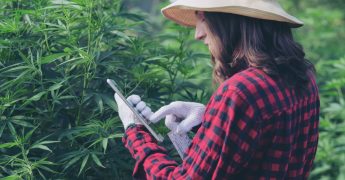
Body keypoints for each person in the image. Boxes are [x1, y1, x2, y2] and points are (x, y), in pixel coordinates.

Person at [114, 0, 320, 179]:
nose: (198, 34)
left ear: (230, 21)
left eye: (202, 18)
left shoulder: (239, 93)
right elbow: (263, 146)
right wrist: (209, 118)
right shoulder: (303, 76)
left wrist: (135, 131)